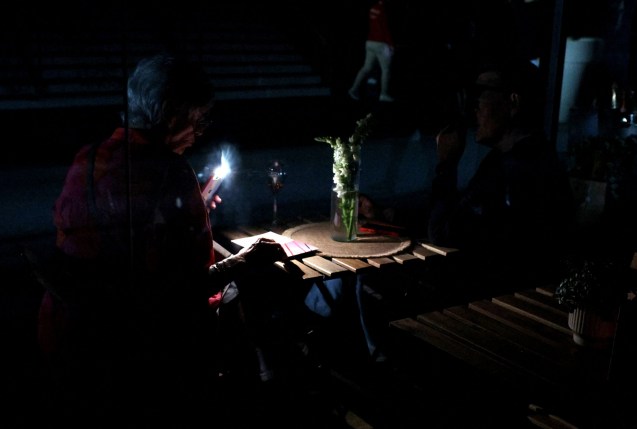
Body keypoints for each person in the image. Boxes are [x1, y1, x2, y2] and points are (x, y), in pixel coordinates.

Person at [38, 53, 287, 427]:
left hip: (69, 329)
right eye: (197, 121)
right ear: (173, 116)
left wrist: (185, 209)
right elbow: (187, 286)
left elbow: (116, 230)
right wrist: (243, 260)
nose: (198, 134)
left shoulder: (89, 158)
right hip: (138, 343)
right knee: (244, 287)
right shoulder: (170, 170)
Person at [426, 59, 576, 303]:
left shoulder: (516, 169)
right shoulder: (526, 156)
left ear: (513, 102)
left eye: (482, 94)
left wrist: (446, 165)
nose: (474, 107)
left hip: (496, 303)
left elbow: (443, 234)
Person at [348, 0, 395, 102]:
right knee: (386, 70)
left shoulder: (373, 8)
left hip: (370, 42)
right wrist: (390, 44)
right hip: (380, 43)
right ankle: (384, 94)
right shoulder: (383, 10)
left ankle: (353, 89)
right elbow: (384, 28)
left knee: (366, 68)